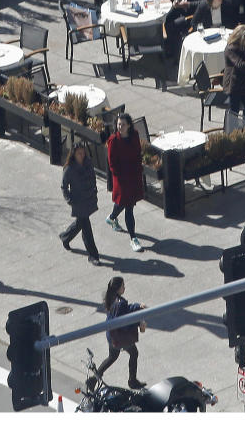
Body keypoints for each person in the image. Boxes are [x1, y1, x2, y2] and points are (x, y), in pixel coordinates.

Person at [95, 277, 146, 389]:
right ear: (118, 289)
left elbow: (126, 310)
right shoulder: (120, 303)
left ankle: (94, 378)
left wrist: (137, 306)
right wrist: (139, 324)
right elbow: (123, 324)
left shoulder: (111, 298)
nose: (125, 287)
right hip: (120, 337)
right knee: (134, 353)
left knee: (112, 357)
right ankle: (132, 381)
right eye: (123, 285)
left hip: (111, 335)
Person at [106, 113, 144, 253]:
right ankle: (133, 238)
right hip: (122, 179)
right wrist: (120, 176)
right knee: (128, 206)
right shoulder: (113, 141)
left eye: (123, 124)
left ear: (129, 125)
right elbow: (112, 163)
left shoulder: (134, 135)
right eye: (118, 124)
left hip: (133, 176)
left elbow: (138, 152)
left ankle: (111, 217)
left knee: (124, 203)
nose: (120, 127)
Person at [59, 143, 102, 265]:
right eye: (79, 153)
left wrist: (94, 191)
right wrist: (69, 200)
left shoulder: (88, 163)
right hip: (78, 201)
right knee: (86, 228)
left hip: (88, 198)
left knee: (80, 223)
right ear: (73, 154)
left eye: (83, 152)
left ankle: (65, 237)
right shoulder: (69, 169)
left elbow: (93, 178)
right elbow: (64, 186)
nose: (82, 155)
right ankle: (93, 255)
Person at [222, 24, 245, 123]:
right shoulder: (231, 49)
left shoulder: (241, 47)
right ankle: (231, 132)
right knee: (234, 110)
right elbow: (240, 64)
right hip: (234, 84)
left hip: (241, 82)